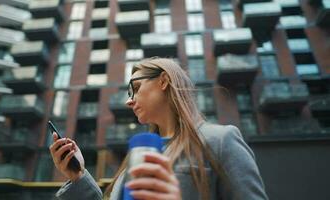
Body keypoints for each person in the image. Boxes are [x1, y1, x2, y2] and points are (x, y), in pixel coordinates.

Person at [50, 57, 268, 200]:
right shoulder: (138, 157)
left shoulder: (221, 140)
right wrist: (78, 176)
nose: (129, 101)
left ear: (163, 81)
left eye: (135, 88)